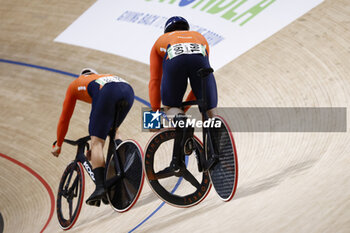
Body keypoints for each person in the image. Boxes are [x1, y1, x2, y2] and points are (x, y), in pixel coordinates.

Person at [51, 68, 134, 206]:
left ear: (81, 76)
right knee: (114, 130)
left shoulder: (75, 85)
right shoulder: (99, 77)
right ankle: (122, 163)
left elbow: (64, 118)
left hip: (107, 92)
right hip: (128, 90)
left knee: (97, 142)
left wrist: (58, 144)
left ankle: (100, 187)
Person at [149, 16, 218, 168]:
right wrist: (194, 105)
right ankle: (219, 148)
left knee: (170, 108)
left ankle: (183, 122)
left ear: (167, 31)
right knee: (209, 109)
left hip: (175, 63)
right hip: (200, 63)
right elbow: (200, 86)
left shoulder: (161, 40)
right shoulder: (200, 37)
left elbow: (155, 81)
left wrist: (154, 117)